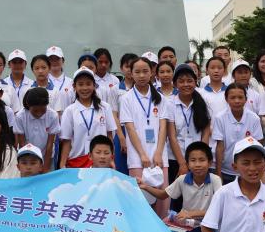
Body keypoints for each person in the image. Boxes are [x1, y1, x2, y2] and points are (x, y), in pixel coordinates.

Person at [140, 141, 221, 232]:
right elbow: (163, 195)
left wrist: (191, 214)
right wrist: (145, 187)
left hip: (207, 227)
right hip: (186, 226)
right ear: (187, 164)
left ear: (210, 163)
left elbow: (219, 210)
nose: (197, 164)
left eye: (202, 160)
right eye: (193, 160)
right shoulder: (182, 179)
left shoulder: (215, 180)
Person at [119, 56, 168, 214]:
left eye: (145, 71)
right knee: (140, 201)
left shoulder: (160, 98)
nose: (141, 75)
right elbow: (130, 128)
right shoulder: (126, 98)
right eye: (137, 72)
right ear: (131, 73)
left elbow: (163, 127)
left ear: (152, 72)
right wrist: (142, 154)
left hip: (159, 157)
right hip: (137, 157)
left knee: (162, 201)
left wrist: (158, 152)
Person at [160, 64, 210, 179]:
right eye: (181, 81)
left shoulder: (202, 102)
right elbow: (172, 137)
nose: (186, 84)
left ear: (195, 82)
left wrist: (201, 157)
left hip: (197, 160)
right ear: (175, 84)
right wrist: (182, 163)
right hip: (175, 159)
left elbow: (205, 133)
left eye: (189, 81)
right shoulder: (169, 104)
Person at [58, 69, 115, 169]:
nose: (84, 88)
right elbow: (66, 141)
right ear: (74, 86)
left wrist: (111, 159)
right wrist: (62, 164)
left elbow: (109, 136)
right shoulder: (69, 111)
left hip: (100, 161)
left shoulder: (105, 107)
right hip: (77, 161)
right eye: (80, 84)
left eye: (88, 84)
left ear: (94, 86)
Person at [212, 84, 262, 185]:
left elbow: (258, 145)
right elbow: (220, 147)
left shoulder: (254, 118)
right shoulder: (220, 118)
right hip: (226, 171)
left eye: (240, 97)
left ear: (245, 99)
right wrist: (218, 172)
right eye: (232, 97)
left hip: (248, 171)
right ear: (226, 99)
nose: (237, 101)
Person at [13, 87, 59, 171]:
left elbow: (49, 145)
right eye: (35, 110)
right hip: (27, 157)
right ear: (28, 105)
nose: (39, 114)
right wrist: (29, 164)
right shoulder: (20, 116)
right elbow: (22, 144)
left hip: (47, 156)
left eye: (43, 110)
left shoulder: (53, 115)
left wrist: (45, 168)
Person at [5, 49, 35, 114]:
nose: (17, 65)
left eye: (20, 62)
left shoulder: (32, 84)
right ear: (9, 64)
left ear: (25, 64)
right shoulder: (3, 84)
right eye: (14, 62)